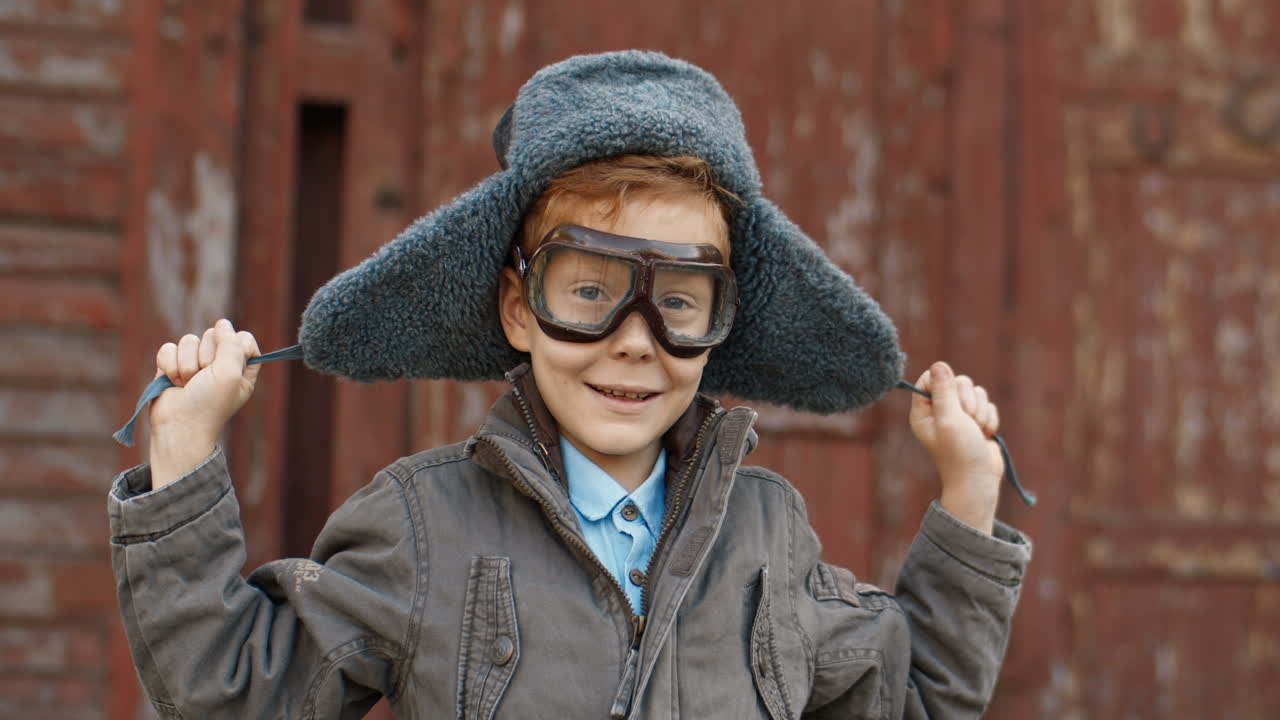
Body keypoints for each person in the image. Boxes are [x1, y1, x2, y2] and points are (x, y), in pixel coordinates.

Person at [109, 51, 1031, 719]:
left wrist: (970, 495)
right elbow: (240, 695)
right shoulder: (424, 529)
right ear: (518, 309)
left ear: (722, 326)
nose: (634, 343)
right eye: (587, 290)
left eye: (679, 300)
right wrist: (183, 460)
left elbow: (913, 699)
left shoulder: (769, 538)